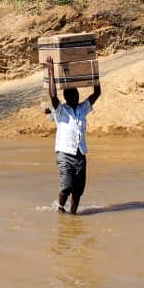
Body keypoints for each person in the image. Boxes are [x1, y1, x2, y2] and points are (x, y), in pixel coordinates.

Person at [46, 56, 101, 214]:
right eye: (73, 96)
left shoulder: (82, 108)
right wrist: (50, 70)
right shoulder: (60, 111)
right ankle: (61, 208)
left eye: (77, 96)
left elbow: (97, 93)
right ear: (67, 98)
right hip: (64, 154)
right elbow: (52, 95)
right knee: (66, 186)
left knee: (77, 191)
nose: (76, 98)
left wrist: (94, 73)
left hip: (81, 154)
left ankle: (73, 216)